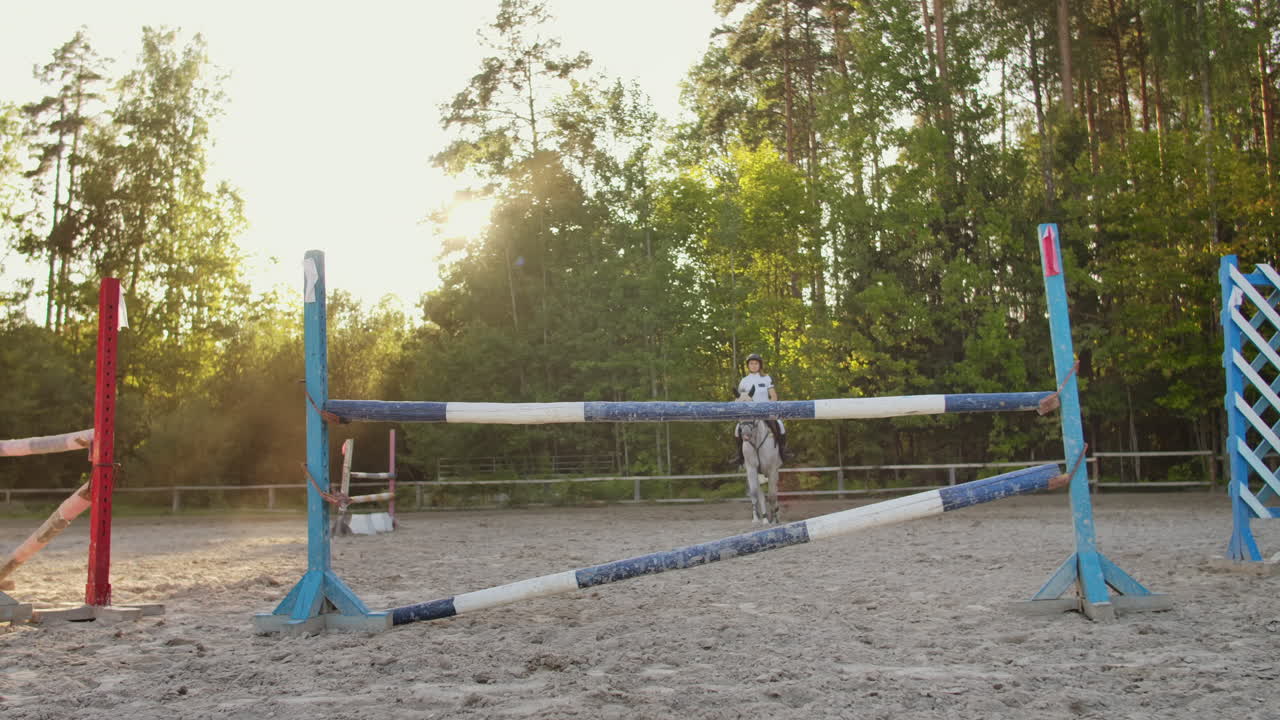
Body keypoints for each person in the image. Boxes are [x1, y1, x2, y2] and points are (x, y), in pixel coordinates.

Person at [732, 353, 790, 465]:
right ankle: (739, 455)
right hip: (749, 413)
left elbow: (774, 396)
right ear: (748, 366)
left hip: (765, 411)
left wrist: (769, 407)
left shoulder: (766, 378)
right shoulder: (744, 381)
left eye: (756, 363)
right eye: (751, 363)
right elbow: (740, 398)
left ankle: (783, 452)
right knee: (737, 430)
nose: (753, 366)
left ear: (760, 365)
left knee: (781, 426)